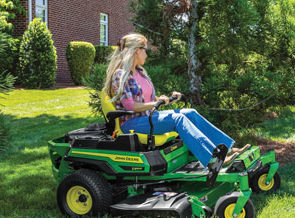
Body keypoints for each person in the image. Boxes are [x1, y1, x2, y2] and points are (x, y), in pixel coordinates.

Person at [104, 33, 249, 168]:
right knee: (178, 119)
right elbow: (130, 105)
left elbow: (146, 99)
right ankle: (213, 159)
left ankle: (227, 148)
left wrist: (167, 99)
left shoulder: (140, 73)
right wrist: (156, 103)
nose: (147, 54)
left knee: (190, 112)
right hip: (132, 123)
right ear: (136, 51)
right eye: (145, 50)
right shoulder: (120, 75)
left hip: (148, 117)